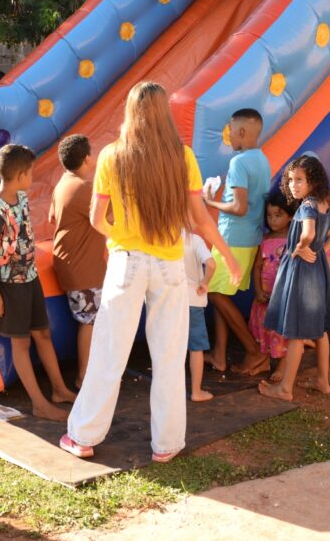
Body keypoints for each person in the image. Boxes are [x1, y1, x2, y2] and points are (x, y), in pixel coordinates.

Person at [59, 82, 241, 463]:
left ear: (130, 111)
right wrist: (228, 256)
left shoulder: (112, 156)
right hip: (170, 264)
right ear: (164, 112)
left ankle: (83, 436)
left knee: (109, 352)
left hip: (128, 262)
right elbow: (200, 219)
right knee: (169, 355)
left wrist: (122, 239)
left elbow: (96, 219)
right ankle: (167, 444)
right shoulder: (182, 156)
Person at [0, 144, 76, 421]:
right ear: (21, 174)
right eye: (31, 172)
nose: (33, 176)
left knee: (43, 334)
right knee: (20, 344)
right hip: (10, 285)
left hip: (30, 278)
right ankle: (39, 403)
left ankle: (59, 389)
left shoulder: (20, 197)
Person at [260, 155, 330, 401]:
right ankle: (323, 381)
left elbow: (307, 233)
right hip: (317, 269)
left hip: (300, 270)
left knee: (296, 330)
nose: (294, 185)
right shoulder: (324, 202)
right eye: (291, 180)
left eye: (300, 180)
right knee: (319, 331)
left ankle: (285, 388)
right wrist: (323, 249)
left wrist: (299, 247)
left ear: (313, 181)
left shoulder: (307, 206)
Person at [203, 108, 270, 376]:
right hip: (250, 238)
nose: (228, 135)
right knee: (223, 295)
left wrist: (210, 202)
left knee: (214, 292)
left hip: (234, 239)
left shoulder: (239, 163)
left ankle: (254, 352)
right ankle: (219, 356)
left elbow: (239, 207)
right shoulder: (261, 159)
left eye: (230, 130)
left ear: (241, 131)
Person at [48, 134, 107, 388]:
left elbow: (52, 218)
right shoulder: (83, 189)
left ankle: (88, 373)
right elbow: (108, 216)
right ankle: (84, 376)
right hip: (83, 267)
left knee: (90, 319)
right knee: (90, 321)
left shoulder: (63, 184)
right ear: (87, 158)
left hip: (72, 263)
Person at [249, 192, 294, 382]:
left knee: (283, 332)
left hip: (283, 297)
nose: (273, 220)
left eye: (278, 215)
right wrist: (258, 291)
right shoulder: (265, 239)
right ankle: (264, 361)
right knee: (264, 329)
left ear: (290, 216)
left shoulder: (294, 240)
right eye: (269, 215)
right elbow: (257, 266)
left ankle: (283, 366)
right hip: (265, 297)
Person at [183, 230, 216, 402]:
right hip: (193, 300)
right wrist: (205, 283)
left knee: (170, 348)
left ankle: (168, 392)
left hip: (169, 302)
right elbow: (211, 264)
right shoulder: (194, 240)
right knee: (196, 348)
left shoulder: (160, 238)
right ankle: (196, 391)